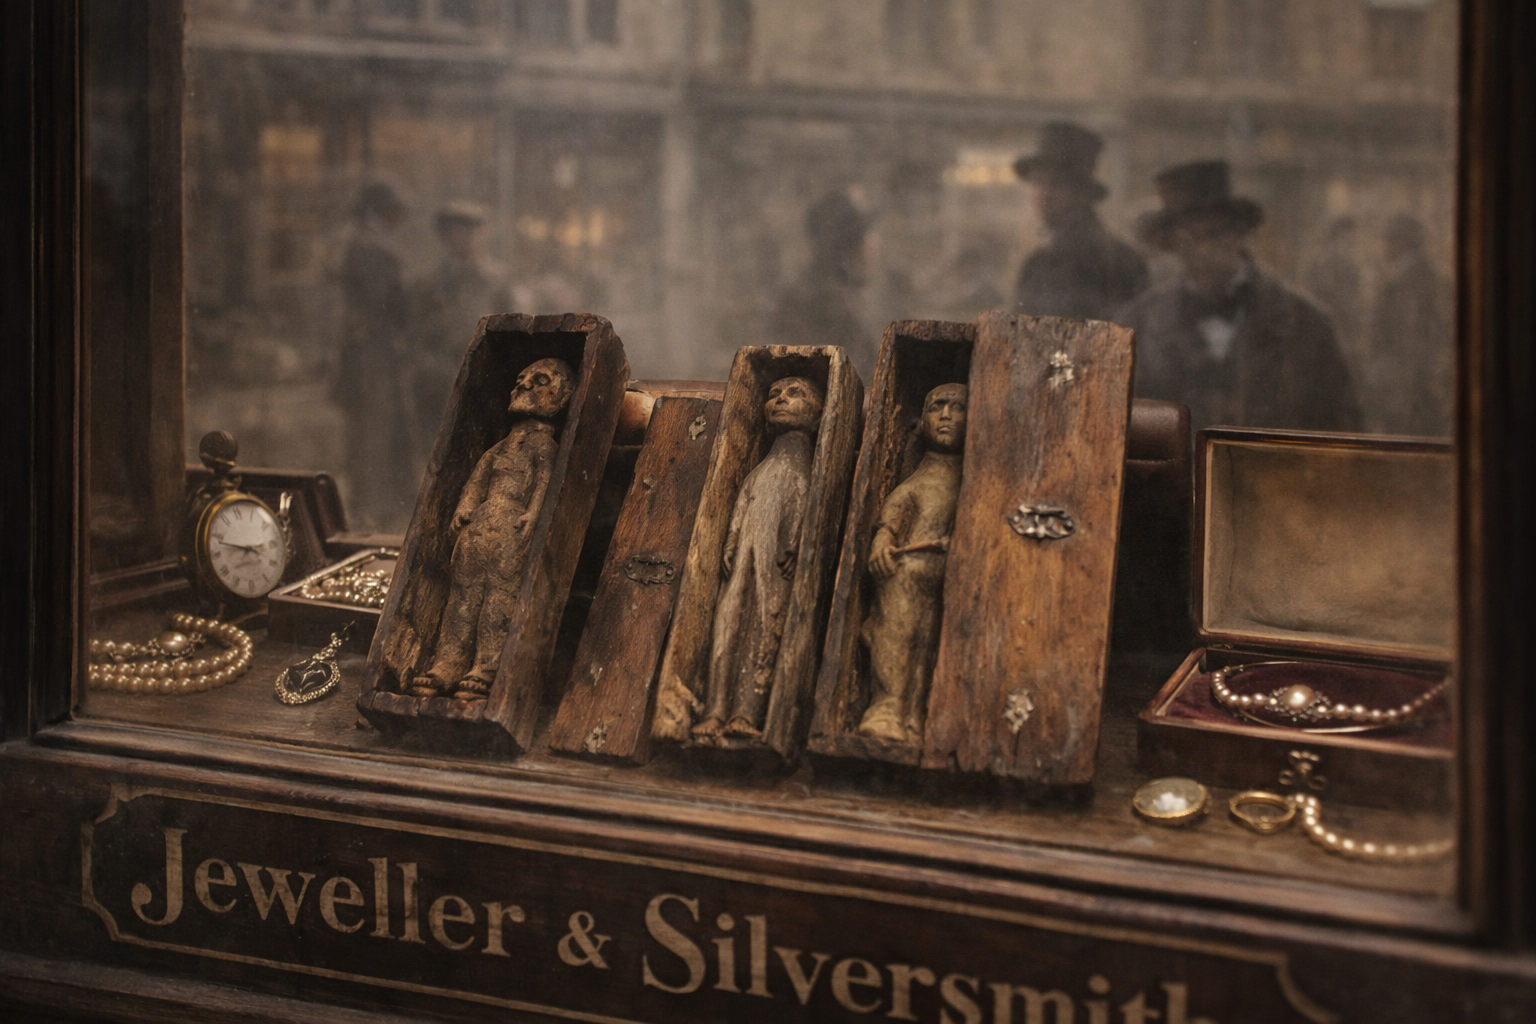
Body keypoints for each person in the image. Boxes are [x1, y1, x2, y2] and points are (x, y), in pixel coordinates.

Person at [1117, 160, 1361, 433]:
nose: (1204, 250)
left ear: (1240, 232)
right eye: (1189, 238)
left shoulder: (1304, 322)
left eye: (1215, 234)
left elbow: (1343, 428)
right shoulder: (1138, 324)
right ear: (1172, 244)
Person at [410, 359, 574, 701]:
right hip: (479, 530)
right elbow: (477, 481)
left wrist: (532, 514)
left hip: (511, 532)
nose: (524, 384)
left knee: (499, 601)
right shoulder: (499, 447)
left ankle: (485, 668)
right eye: (520, 378)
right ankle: (447, 664)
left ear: (562, 397)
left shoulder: (544, 446)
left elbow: (545, 482)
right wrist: (463, 509)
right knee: (462, 599)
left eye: (539, 380)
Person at [693, 376, 824, 742]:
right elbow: (744, 500)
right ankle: (715, 709)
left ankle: (746, 712)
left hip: (777, 563)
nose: (781, 399)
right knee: (726, 623)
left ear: (817, 415)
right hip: (742, 564)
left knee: (767, 623)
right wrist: (732, 539)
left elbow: (807, 502)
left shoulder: (805, 465)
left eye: (795, 393)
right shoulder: (762, 466)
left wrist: (800, 540)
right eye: (774, 395)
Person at [859, 383, 967, 746]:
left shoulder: (975, 480)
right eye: (937, 407)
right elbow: (895, 510)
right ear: (921, 421)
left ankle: (916, 716)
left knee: (928, 645)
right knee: (895, 636)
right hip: (905, 571)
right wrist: (884, 539)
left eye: (958, 407)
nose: (947, 416)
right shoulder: (920, 478)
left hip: (949, 579)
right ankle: (886, 707)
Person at [332, 179, 415, 531]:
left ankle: (373, 508)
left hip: (371, 353)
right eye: (393, 210)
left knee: (375, 435)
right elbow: (392, 304)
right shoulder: (372, 248)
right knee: (373, 436)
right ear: (377, 211)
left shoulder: (362, 244)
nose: (399, 217)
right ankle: (369, 512)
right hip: (372, 357)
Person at [409, 201, 513, 471]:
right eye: (458, 232)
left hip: (487, 371)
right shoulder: (429, 284)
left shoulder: (496, 279)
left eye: (472, 232)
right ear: (445, 237)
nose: (466, 239)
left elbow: (512, 326)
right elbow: (417, 334)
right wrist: (430, 367)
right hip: (444, 373)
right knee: (446, 449)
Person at [1012, 121, 1149, 321]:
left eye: (1057, 184)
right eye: (1037, 182)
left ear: (1082, 193)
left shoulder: (1111, 260)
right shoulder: (1037, 262)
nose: (1044, 194)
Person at [773, 190, 876, 378]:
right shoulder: (818, 297)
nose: (871, 244)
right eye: (863, 235)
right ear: (847, 243)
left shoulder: (840, 289)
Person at [1367, 214, 1452, 436]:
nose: (1383, 248)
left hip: (1408, 384)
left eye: (1387, 241)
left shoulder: (1404, 281)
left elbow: (1407, 337)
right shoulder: (1429, 276)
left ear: (1401, 242)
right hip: (1421, 381)